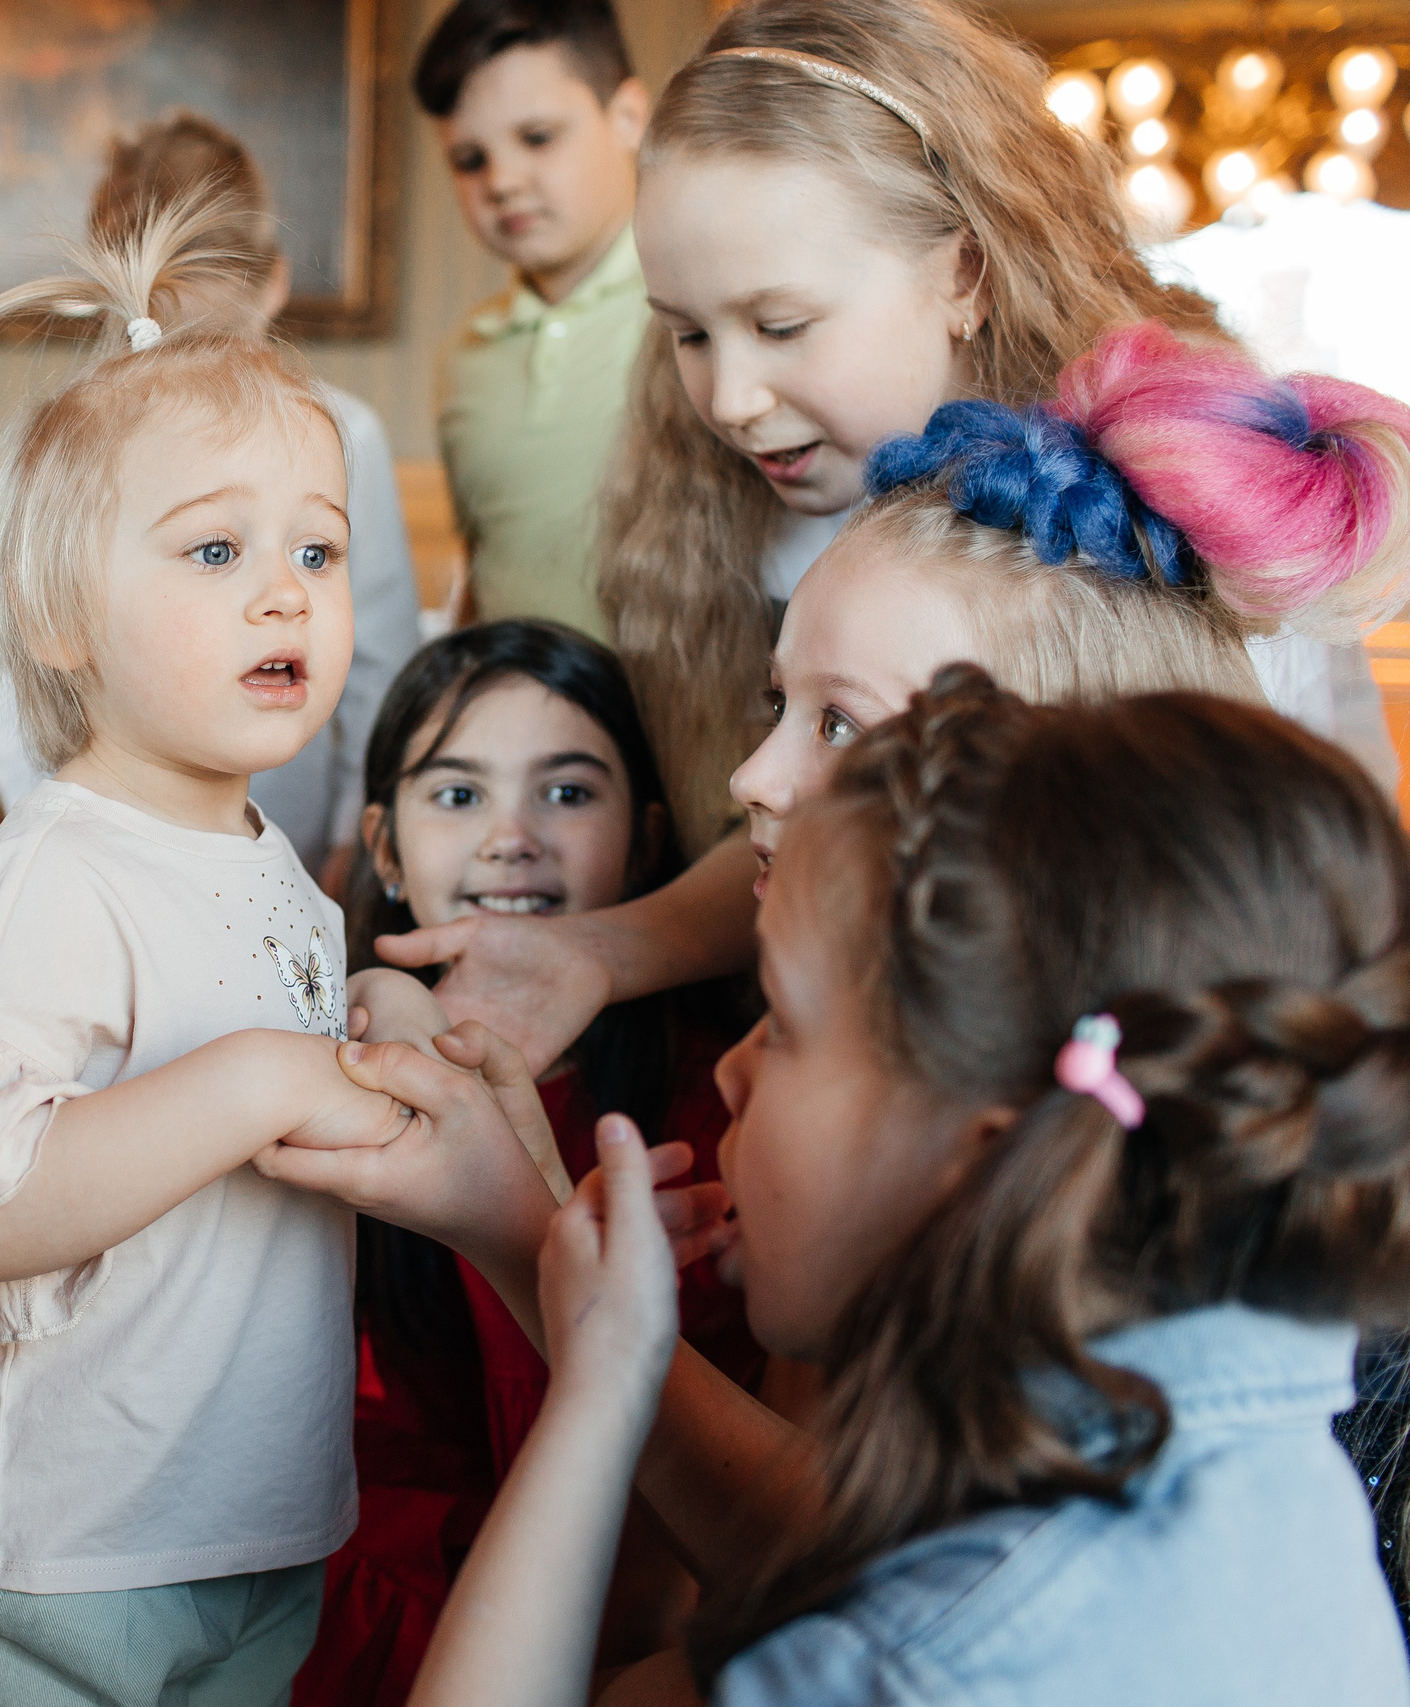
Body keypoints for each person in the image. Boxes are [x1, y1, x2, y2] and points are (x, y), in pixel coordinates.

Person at [392, 0, 1410, 1071]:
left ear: (963, 272)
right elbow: (823, 826)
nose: (730, 398)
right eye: (685, 332)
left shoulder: (1158, 502)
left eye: (780, 326)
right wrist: (600, 951)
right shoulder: (779, 495)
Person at [373, 670, 1410, 1704]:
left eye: (778, 1024)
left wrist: (597, 1397)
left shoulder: (909, 1667)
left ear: (988, 1157)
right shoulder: (1257, 1430)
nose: (731, 1069)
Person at [0, 197, 500, 1707]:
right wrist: (257, 1075)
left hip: (239, 1512)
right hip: (65, 1554)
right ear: (61, 618)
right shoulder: (49, 881)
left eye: (318, 547)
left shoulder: (273, 873)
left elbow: (268, 1080)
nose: (284, 590)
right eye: (218, 549)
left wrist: (355, 1015)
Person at [294, 620, 758, 1705]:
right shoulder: (325, 1061)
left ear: (646, 843)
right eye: (458, 797)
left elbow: (650, 1564)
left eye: (567, 793)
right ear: (386, 849)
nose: (511, 838)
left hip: (605, 1587)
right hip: (380, 1558)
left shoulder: (710, 1109)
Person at [0, 112, 422, 873]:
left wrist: (354, 828)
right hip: (110, 838)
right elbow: (5, 671)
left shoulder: (346, 438)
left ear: (271, 285)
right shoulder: (67, 448)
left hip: (291, 839)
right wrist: (66, 821)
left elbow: (384, 668)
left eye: (313, 552)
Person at [417, 0, 649, 632]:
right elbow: (483, 569)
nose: (503, 181)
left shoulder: (698, 319)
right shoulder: (467, 357)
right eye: (469, 159)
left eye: (538, 138)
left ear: (628, 117)